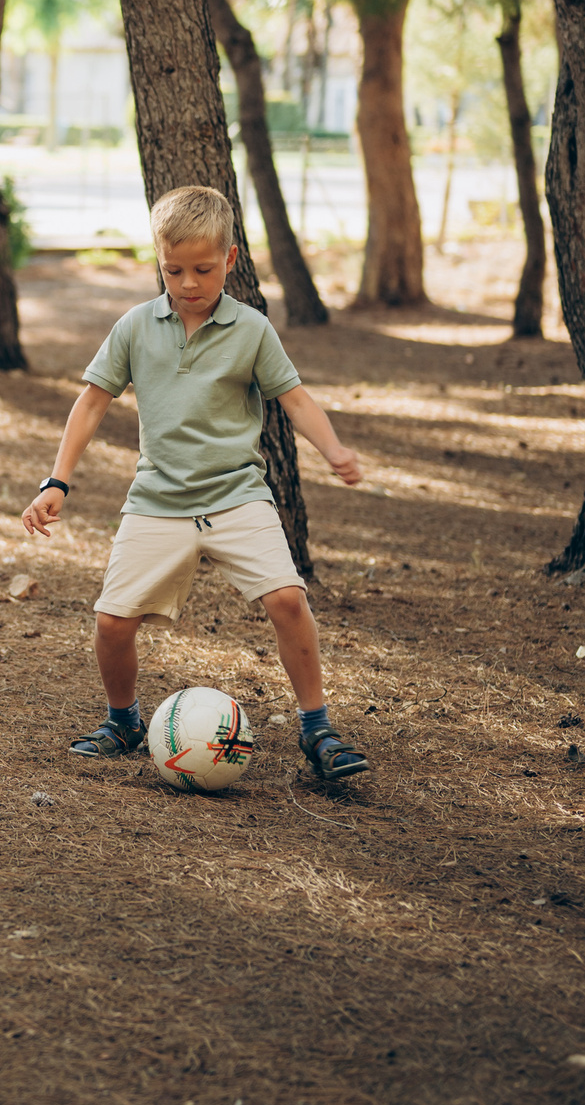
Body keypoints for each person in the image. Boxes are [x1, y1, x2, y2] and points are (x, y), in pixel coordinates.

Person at [21, 185, 371, 781]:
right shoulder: (135, 326)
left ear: (230, 260)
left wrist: (333, 450)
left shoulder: (252, 329)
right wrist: (58, 481)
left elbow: (295, 398)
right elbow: (90, 403)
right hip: (158, 500)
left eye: (203, 270)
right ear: (158, 261)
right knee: (111, 622)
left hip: (237, 495)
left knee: (288, 599)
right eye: (172, 269)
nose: (187, 283)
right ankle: (124, 720)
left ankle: (318, 730)